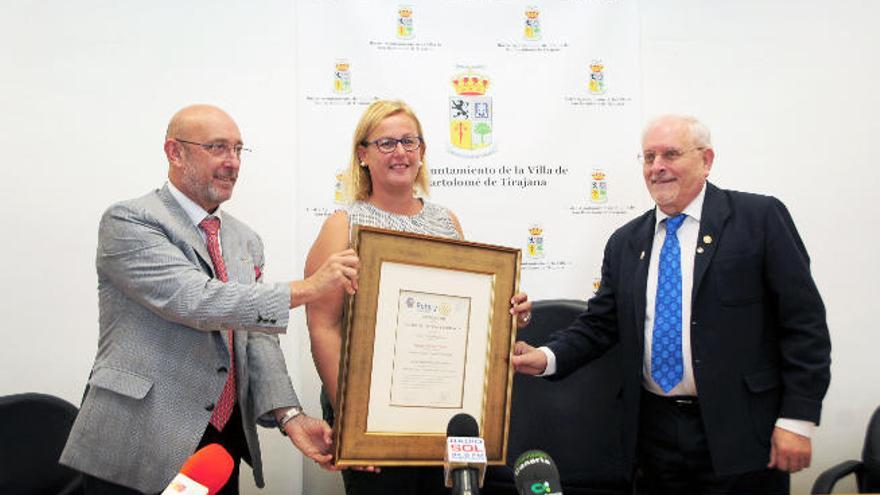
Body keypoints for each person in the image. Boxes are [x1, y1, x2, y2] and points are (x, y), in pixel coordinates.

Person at [512, 115, 831, 495]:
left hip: (744, 433)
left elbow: (804, 325)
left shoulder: (759, 220)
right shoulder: (626, 242)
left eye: (670, 154)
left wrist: (797, 420)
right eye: (649, 157)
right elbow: (601, 324)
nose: (657, 167)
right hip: (654, 438)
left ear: (706, 160)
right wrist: (546, 357)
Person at [60, 104, 360, 495]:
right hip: (138, 442)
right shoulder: (129, 221)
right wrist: (308, 288)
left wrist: (290, 416)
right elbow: (196, 300)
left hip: (220, 445)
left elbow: (256, 336)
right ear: (175, 152)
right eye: (218, 148)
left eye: (238, 150)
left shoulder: (244, 239)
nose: (232, 162)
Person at [305, 99, 532, 494]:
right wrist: (350, 415)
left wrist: (509, 314)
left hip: (442, 405)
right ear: (363, 155)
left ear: (423, 152)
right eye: (386, 143)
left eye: (410, 142)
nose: (401, 153)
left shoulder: (446, 221)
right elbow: (322, 324)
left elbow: (465, 314)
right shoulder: (343, 226)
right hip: (369, 412)